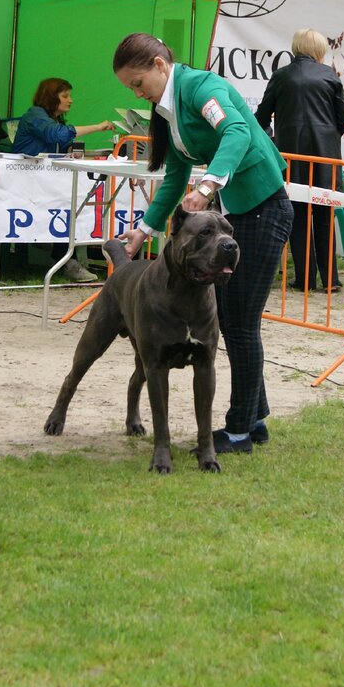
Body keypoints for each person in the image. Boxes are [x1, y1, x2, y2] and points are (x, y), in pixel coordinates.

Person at [112, 33, 293, 454]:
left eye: (138, 83)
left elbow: (236, 132)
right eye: (130, 89)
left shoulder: (201, 88)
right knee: (233, 321)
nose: (137, 94)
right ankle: (256, 419)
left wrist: (210, 184)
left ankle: (238, 431)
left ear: (160, 65)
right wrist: (144, 230)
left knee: (240, 325)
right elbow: (175, 176)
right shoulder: (169, 110)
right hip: (241, 214)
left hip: (265, 208)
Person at [255, 29, 344, 292]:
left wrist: (272, 139)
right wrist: (330, 137)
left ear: (296, 47)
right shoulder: (330, 75)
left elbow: (261, 117)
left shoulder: (280, 76)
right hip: (326, 156)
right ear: (319, 50)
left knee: (296, 217)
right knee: (324, 214)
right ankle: (330, 279)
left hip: (291, 155)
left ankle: (305, 278)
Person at [12, 77, 115, 283]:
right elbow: (56, 135)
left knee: (71, 206)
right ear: (51, 97)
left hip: (44, 181)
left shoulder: (53, 120)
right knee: (68, 207)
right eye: (65, 96)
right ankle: (66, 261)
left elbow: (60, 143)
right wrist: (97, 126)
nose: (71, 100)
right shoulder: (36, 115)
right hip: (23, 181)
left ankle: (64, 259)